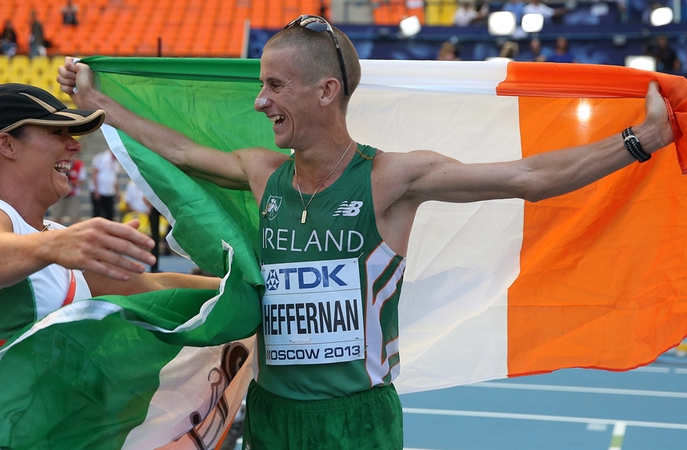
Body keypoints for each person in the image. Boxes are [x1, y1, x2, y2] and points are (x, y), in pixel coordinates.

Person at [57, 14, 674, 449]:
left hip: (357, 423)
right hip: (271, 416)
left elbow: (528, 178)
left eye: (274, 86)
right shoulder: (262, 171)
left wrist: (641, 139)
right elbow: (178, 151)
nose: (260, 102)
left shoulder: (390, 179)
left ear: (326, 91)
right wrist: (98, 103)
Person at [0, 84, 219, 394]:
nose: (75, 145)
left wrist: (238, 287)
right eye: (57, 132)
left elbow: (155, 287)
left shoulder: (54, 237)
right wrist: (53, 247)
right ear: (7, 145)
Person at [49, 154, 86, 225]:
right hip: (59, 193)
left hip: (73, 193)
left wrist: (72, 182)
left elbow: (82, 179)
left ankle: (76, 231)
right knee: (56, 216)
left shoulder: (78, 164)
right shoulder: (58, 163)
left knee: (75, 216)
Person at [90, 148, 120, 221]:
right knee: (98, 214)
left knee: (110, 215)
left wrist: (117, 192)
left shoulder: (116, 163)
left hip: (110, 191)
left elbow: (115, 178)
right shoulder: (101, 158)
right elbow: (94, 174)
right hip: (99, 191)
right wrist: (96, 190)